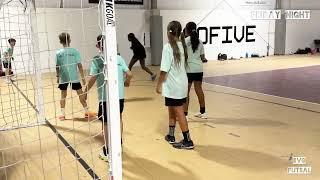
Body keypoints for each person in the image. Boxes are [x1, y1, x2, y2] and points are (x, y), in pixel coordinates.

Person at [84, 34, 133, 161]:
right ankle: (119, 145)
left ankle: (107, 151)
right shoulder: (118, 57)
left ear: (98, 46)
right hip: (119, 96)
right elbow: (129, 73)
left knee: (106, 123)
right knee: (118, 118)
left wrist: (85, 92)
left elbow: (93, 78)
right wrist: (127, 81)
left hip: (106, 98)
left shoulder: (97, 59)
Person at [156, 20, 194, 150]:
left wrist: (158, 85)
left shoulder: (168, 47)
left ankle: (188, 140)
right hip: (181, 84)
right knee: (172, 109)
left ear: (169, 32)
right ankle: (171, 135)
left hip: (173, 85)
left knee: (179, 112)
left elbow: (163, 70)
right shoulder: (182, 45)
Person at [55, 32, 96, 120]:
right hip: (74, 77)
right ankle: (86, 112)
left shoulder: (58, 53)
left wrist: (58, 77)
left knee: (63, 95)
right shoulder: (75, 51)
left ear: (60, 42)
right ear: (69, 40)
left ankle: (62, 115)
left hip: (63, 77)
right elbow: (79, 65)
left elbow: (57, 66)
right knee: (80, 94)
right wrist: (83, 77)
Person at [183, 22, 208, 119]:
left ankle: (185, 115)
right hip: (199, 69)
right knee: (199, 90)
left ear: (187, 30)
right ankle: (203, 112)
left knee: (186, 92)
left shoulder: (185, 41)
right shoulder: (200, 41)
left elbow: (183, 56)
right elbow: (203, 57)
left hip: (189, 70)